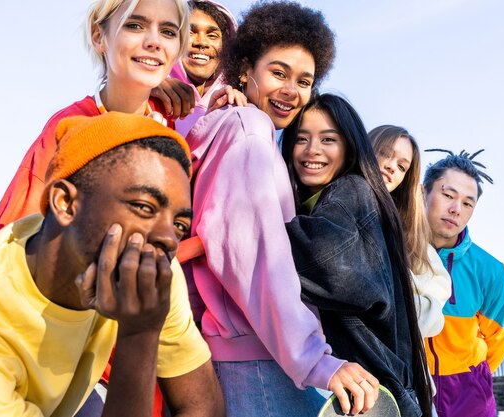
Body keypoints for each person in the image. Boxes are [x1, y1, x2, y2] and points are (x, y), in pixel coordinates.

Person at [0, 113, 223, 417]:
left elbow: (201, 406)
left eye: (180, 224)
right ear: (65, 203)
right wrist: (139, 335)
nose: (168, 237)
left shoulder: (142, 257)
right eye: (144, 207)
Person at [183, 3, 379, 416]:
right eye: (278, 73)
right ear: (244, 70)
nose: (292, 90)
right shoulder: (247, 129)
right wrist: (314, 358)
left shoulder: (238, 130)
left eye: (304, 80)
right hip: (257, 360)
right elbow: (255, 256)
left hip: (242, 352)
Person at [281, 94, 433, 417]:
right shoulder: (344, 199)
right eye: (302, 139)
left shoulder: (351, 190)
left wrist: (254, 225)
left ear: (351, 146)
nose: (312, 150)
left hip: (372, 394)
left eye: (328, 140)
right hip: (382, 390)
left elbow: (331, 269)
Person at [0, 0, 189, 237]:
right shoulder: (67, 127)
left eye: (168, 32)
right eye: (134, 25)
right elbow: (14, 236)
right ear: (98, 36)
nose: (154, 42)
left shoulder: (175, 121)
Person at [422, 149, 504, 417]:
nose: (455, 209)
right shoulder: (394, 253)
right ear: (422, 192)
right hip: (408, 386)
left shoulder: (491, 272)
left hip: (469, 394)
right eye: (448, 195)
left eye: (467, 203)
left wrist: (470, 376)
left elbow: (498, 342)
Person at [369, 125, 451, 339]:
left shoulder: (407, 234)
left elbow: (438, 292)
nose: (391, 166)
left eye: (402, 166)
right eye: (385, 153)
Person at [152, 0, 238, 137]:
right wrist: (143, 89)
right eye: (190, 32)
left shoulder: (232, 104)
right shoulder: (150, 96)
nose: (202, 43)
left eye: (212, 35)